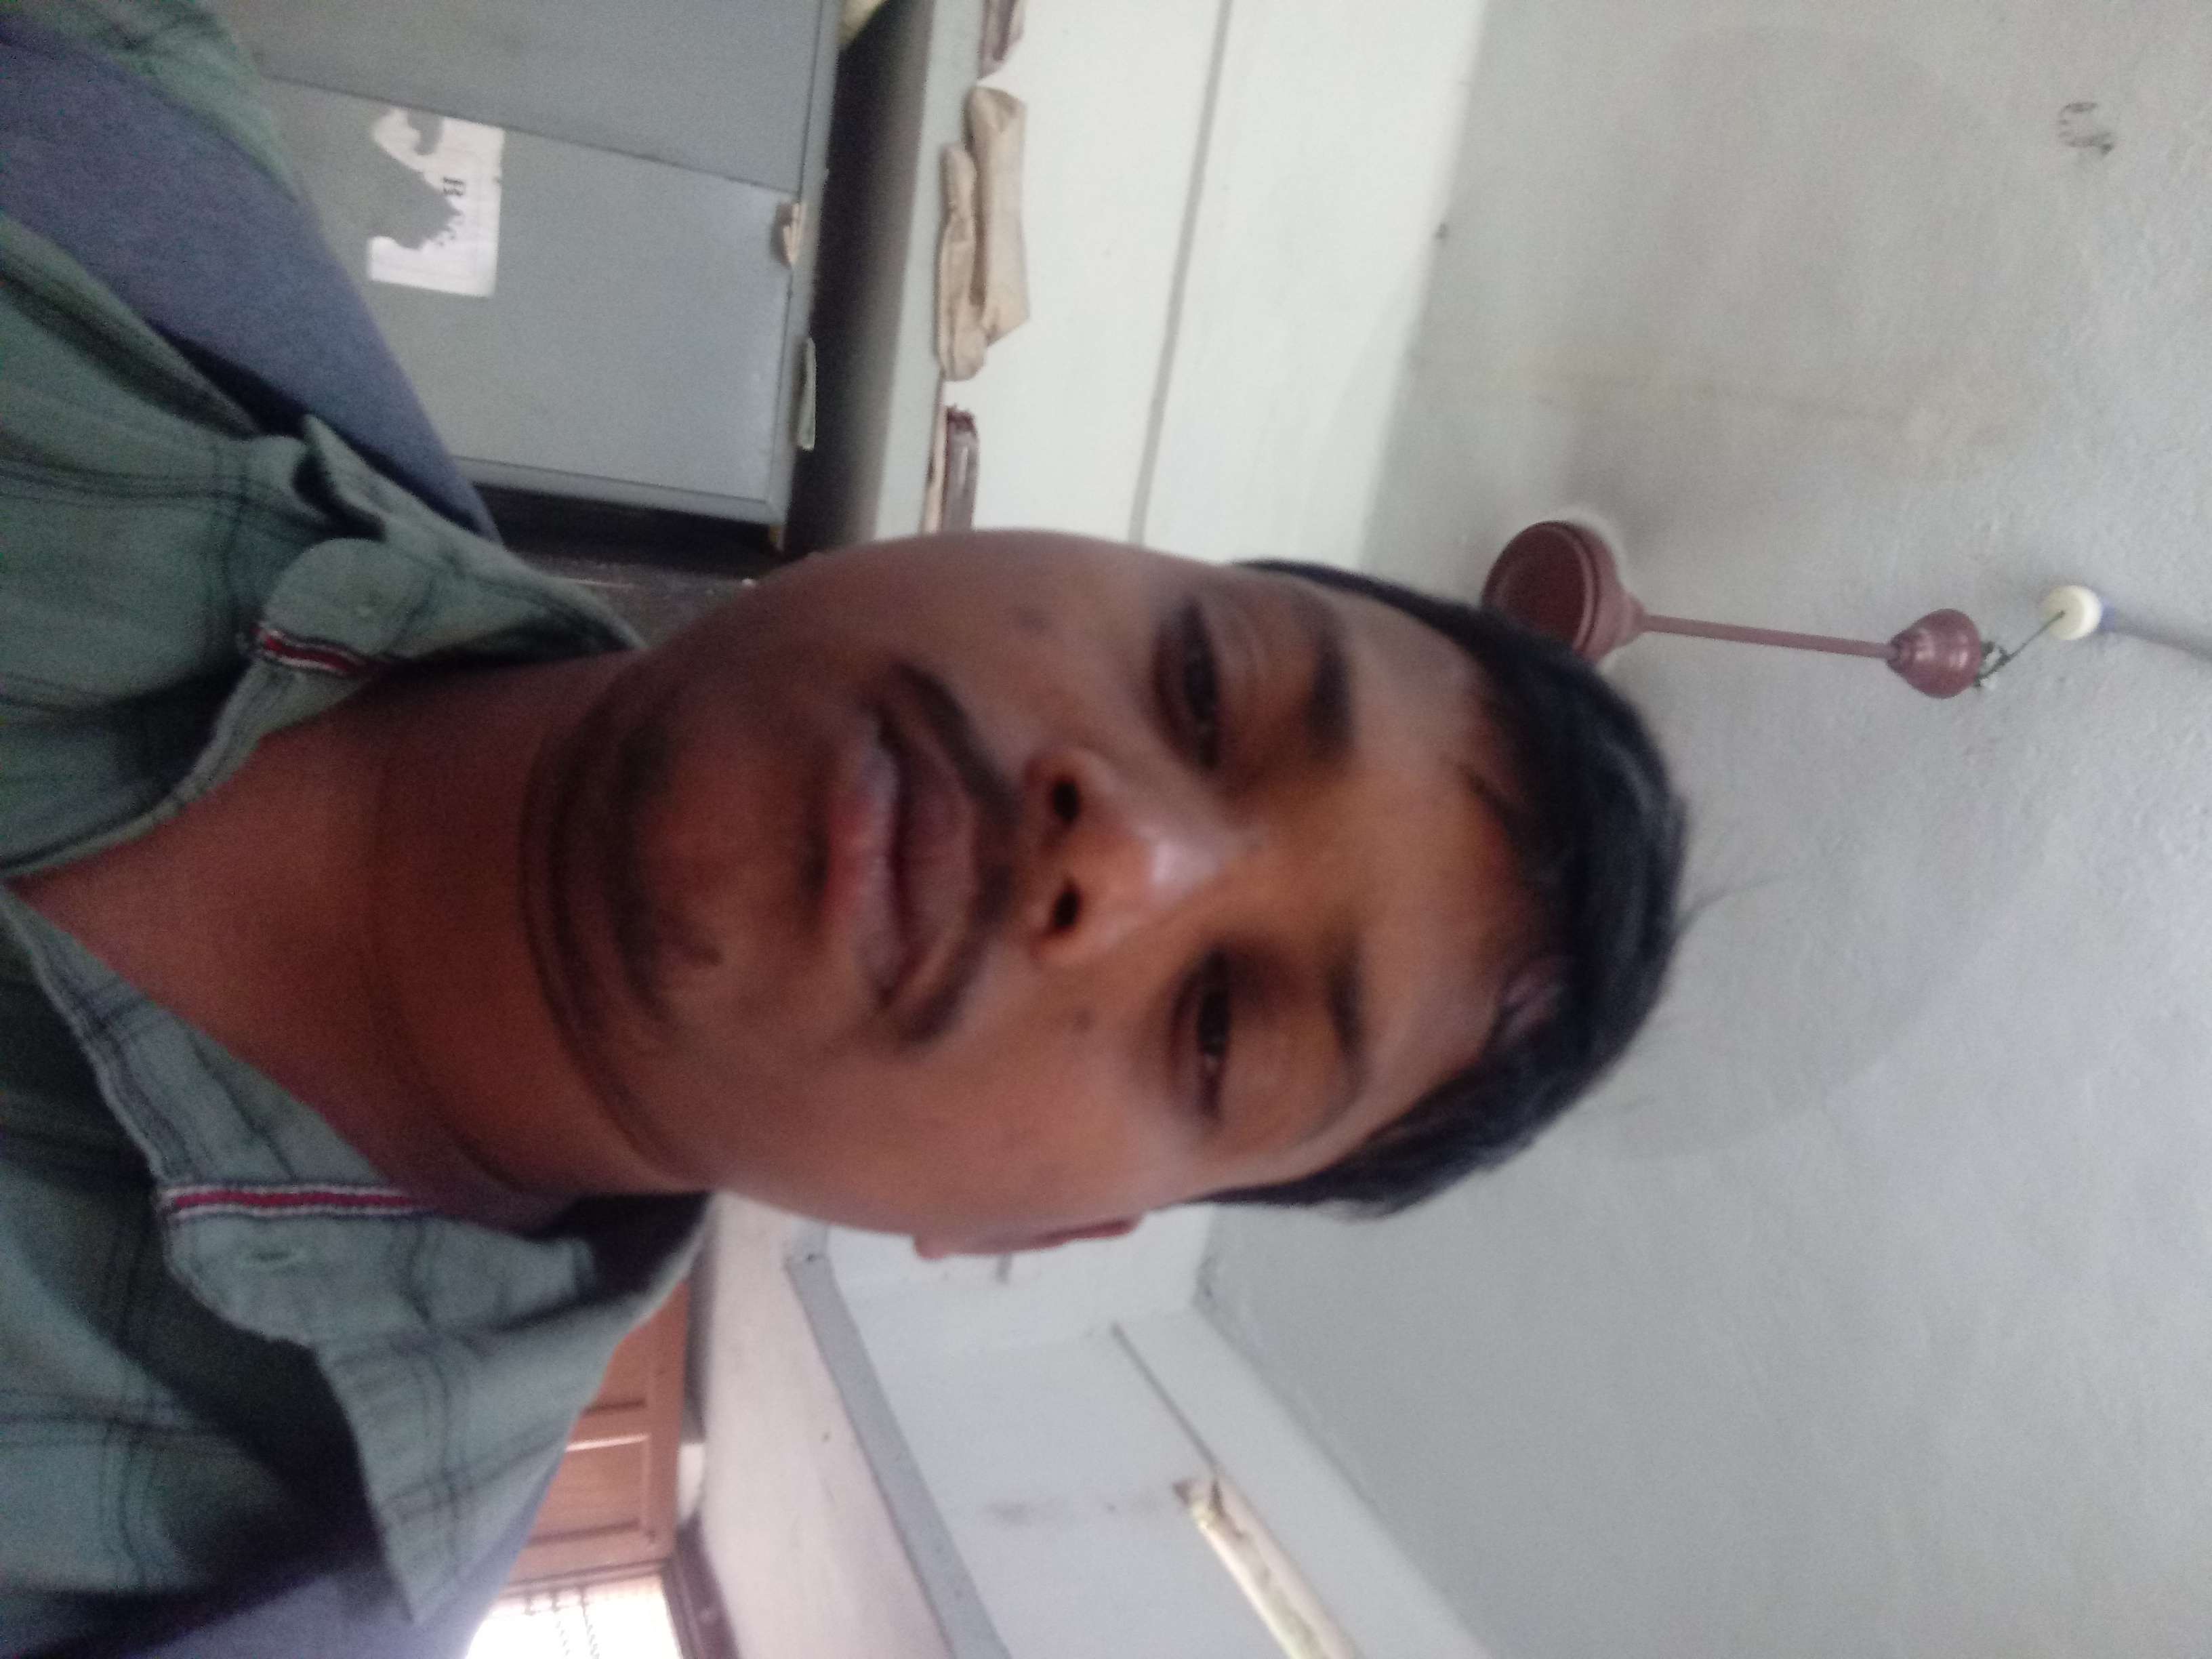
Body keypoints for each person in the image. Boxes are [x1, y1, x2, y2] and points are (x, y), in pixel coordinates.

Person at [0, 0, 1685, 1652]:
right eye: (1199, 687)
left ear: (1026, 1237)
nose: (1122, 857)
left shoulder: (200, 1588)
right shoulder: (101, 123)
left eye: (1220, 1025)